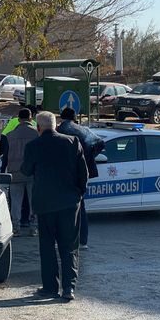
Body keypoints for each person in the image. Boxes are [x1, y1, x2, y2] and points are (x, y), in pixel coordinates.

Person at [21, 111, 88, 301]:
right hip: (69, 203)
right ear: (56, 125)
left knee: (47, 247)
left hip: (45, 204)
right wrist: (78, 194)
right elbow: (83, 173)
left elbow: (26, 171)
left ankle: (50, 288)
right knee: (69, 247)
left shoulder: (34, 145)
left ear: (38, 128)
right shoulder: (72, 142)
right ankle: (69, 288)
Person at [56, 107, 105, 250]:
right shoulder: (83, 130)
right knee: (80, 206)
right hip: (81, 173)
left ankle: (65, 239)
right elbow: (100, 143)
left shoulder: (61, 130)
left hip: (66, 173)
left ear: (62, 117)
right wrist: (88, 158)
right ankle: (83, 241)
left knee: (63, 208)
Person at [5, 108, 39, 236]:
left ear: (18, 119)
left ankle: (16, 227)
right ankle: (33, 227)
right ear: (31, 118)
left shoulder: (10, 135)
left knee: (16, 201)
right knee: (33, 201)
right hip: (32, 172)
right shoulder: (36, 134)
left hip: (15, 172)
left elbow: (5, 155)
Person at [0, 105, 37, 172]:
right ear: (31, 118)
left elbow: (3, 135)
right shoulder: (36, 130)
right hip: (31, 171)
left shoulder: (13, 122)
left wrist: (2, 170)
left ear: (19, 119)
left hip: (14, 171)